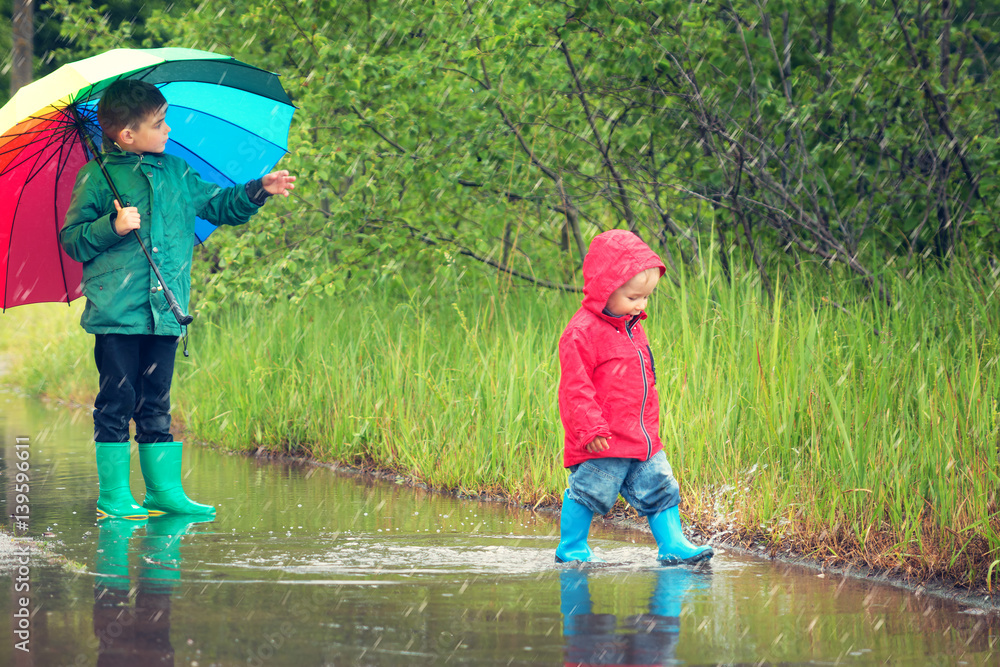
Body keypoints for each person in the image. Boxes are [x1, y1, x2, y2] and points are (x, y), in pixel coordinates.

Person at [60, 79, 295, 520]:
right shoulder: (95, 178)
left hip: (166, 314)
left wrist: (259, 188)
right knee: (116, 403)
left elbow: (220, 205)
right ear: (126, 135)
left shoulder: (177, 172)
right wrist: (111, 226)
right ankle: (113, 496)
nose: (168, 130)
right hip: (117, 317)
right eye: (159, 123)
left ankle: (163, 492)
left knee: (156, 403)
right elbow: (73, 242)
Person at [556, 229, 713, 565]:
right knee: (590, 492)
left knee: (660, 486)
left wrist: (649, 428)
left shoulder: (631, 326)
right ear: (604, 290)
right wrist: (591, 430)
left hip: (641, 437)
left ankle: (673, 544)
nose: (641, 305)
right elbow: (575, 387)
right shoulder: (581, 332)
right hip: (603, 438)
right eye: (632, 297)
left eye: (646, 297)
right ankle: (571, 548)